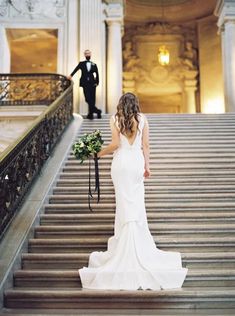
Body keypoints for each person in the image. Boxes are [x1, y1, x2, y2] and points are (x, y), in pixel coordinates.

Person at [79, 92, 188, 290]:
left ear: (121, 104)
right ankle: (136, 245)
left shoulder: (115, 119)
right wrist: (147, 166)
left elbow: (114, 145)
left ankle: (124, 246)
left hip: (121, 165)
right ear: (136, 104)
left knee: (123, 205)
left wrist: (97, 154)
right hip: (136, 163)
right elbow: (145, 145)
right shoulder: (143, 119)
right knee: (136, 205)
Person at [68, 49, 102, 120]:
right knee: (87, 98)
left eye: (88, 53)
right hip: (84, 83)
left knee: (92, 99)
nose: (87, 55)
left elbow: (97, 74)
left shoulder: (94, 64)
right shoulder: (81, 63)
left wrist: (97, 82)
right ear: (84, 55)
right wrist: (70, 76)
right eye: (86, 53)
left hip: (93, 84)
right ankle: (98, 111)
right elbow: (76, 69)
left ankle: (91, 114)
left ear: (90, 54)